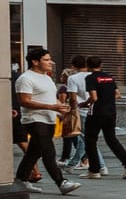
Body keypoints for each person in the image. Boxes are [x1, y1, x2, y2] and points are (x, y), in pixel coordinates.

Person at [14, 48, 79, 194]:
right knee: (48, 151)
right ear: (35, 62)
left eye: (50, 59)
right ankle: (61, 182)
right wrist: (52, 106)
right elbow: (24, 101)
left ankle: (21, 181)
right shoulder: (25, 79)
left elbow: (50, 97)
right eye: (47, 60)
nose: (51, 62)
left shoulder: (47, 77)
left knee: (33, 153)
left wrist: (60, 108)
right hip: (34, 119)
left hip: (49, 119)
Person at [79, 57, 126, 180]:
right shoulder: (109, 77)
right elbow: (118, 95)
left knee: (90, 140)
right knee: (111, 138)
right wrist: (107, 100)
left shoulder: (91, 78)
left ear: (87, 66)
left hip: (96, 112)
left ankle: (94, 170)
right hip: (111, 111)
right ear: (101, 64)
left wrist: (84, 104)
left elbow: (93, 97)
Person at [60, 57, 88, 170]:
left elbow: (72, 98)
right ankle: (99, 165)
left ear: (73, 66)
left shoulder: (73, 79)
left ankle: (75, 161)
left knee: (83, 138)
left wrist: (72, 109)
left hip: (79, 110)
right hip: (94, 110)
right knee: (87, 138)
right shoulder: (92, 76)